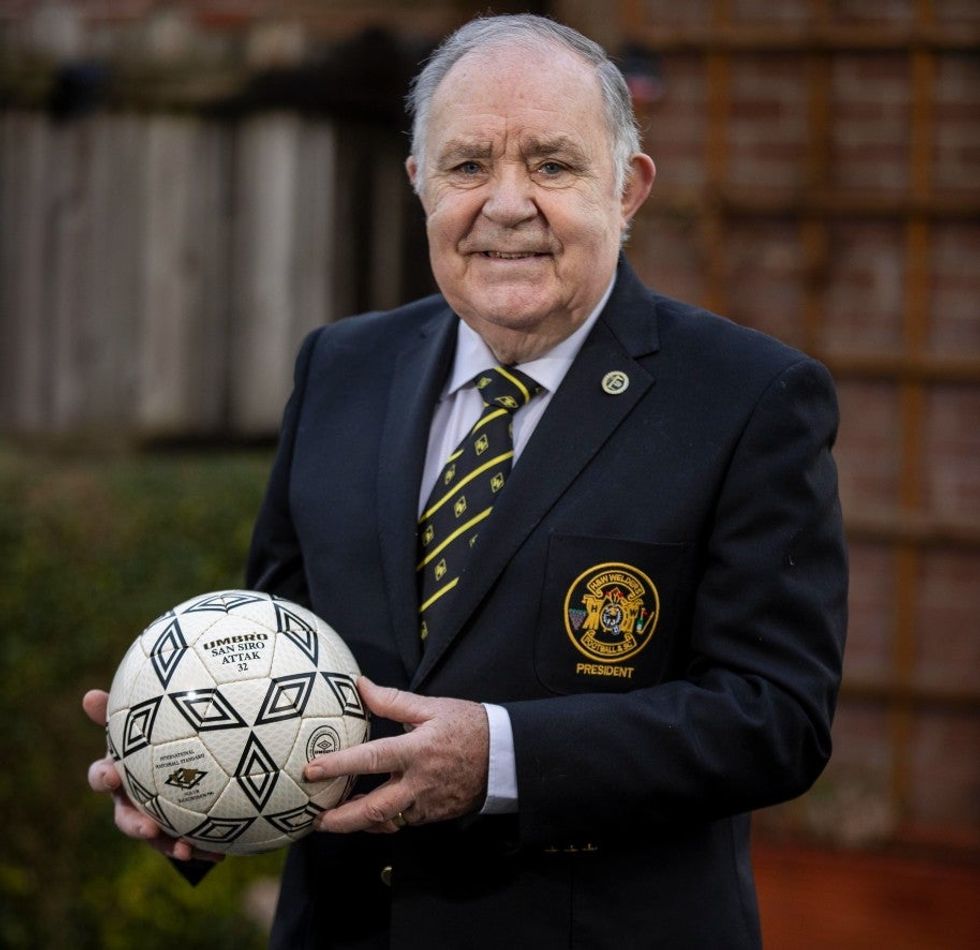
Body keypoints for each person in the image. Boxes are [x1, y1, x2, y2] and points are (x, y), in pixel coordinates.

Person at [86, 13, 847, 948]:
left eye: (553, 165)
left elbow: (776, 718)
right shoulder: (340, 367)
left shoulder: (747, 398)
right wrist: (196, 780)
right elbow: (286, 644)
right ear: (420, 182)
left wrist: (502, 758)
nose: (507, 204)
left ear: (628, 189)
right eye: (468, 165)